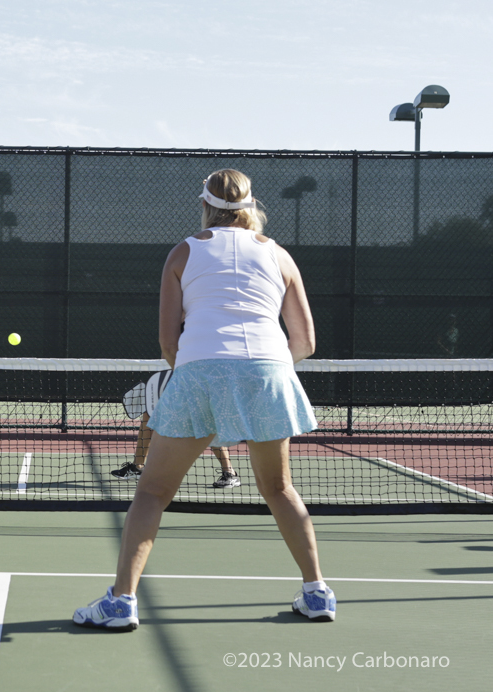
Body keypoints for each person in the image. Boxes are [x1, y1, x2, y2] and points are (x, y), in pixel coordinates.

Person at [74, 169, 334, 629]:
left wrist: (204, 374)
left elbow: (168, 342)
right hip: (269, 372)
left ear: (204, 205)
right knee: (279, 489)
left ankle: (120, 603)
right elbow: (306, 342)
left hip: (200, 371)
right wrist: (260, 372)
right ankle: (317, 594)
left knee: (151, 492)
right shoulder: (280, 255)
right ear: (251, 206)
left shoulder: (183, 252)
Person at [111, 369, 241, 488]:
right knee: (150, 413)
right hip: (173, 378)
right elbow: (166, 357)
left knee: (204, 419)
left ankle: (229, 472)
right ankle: (137, 467)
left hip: (195, 377)